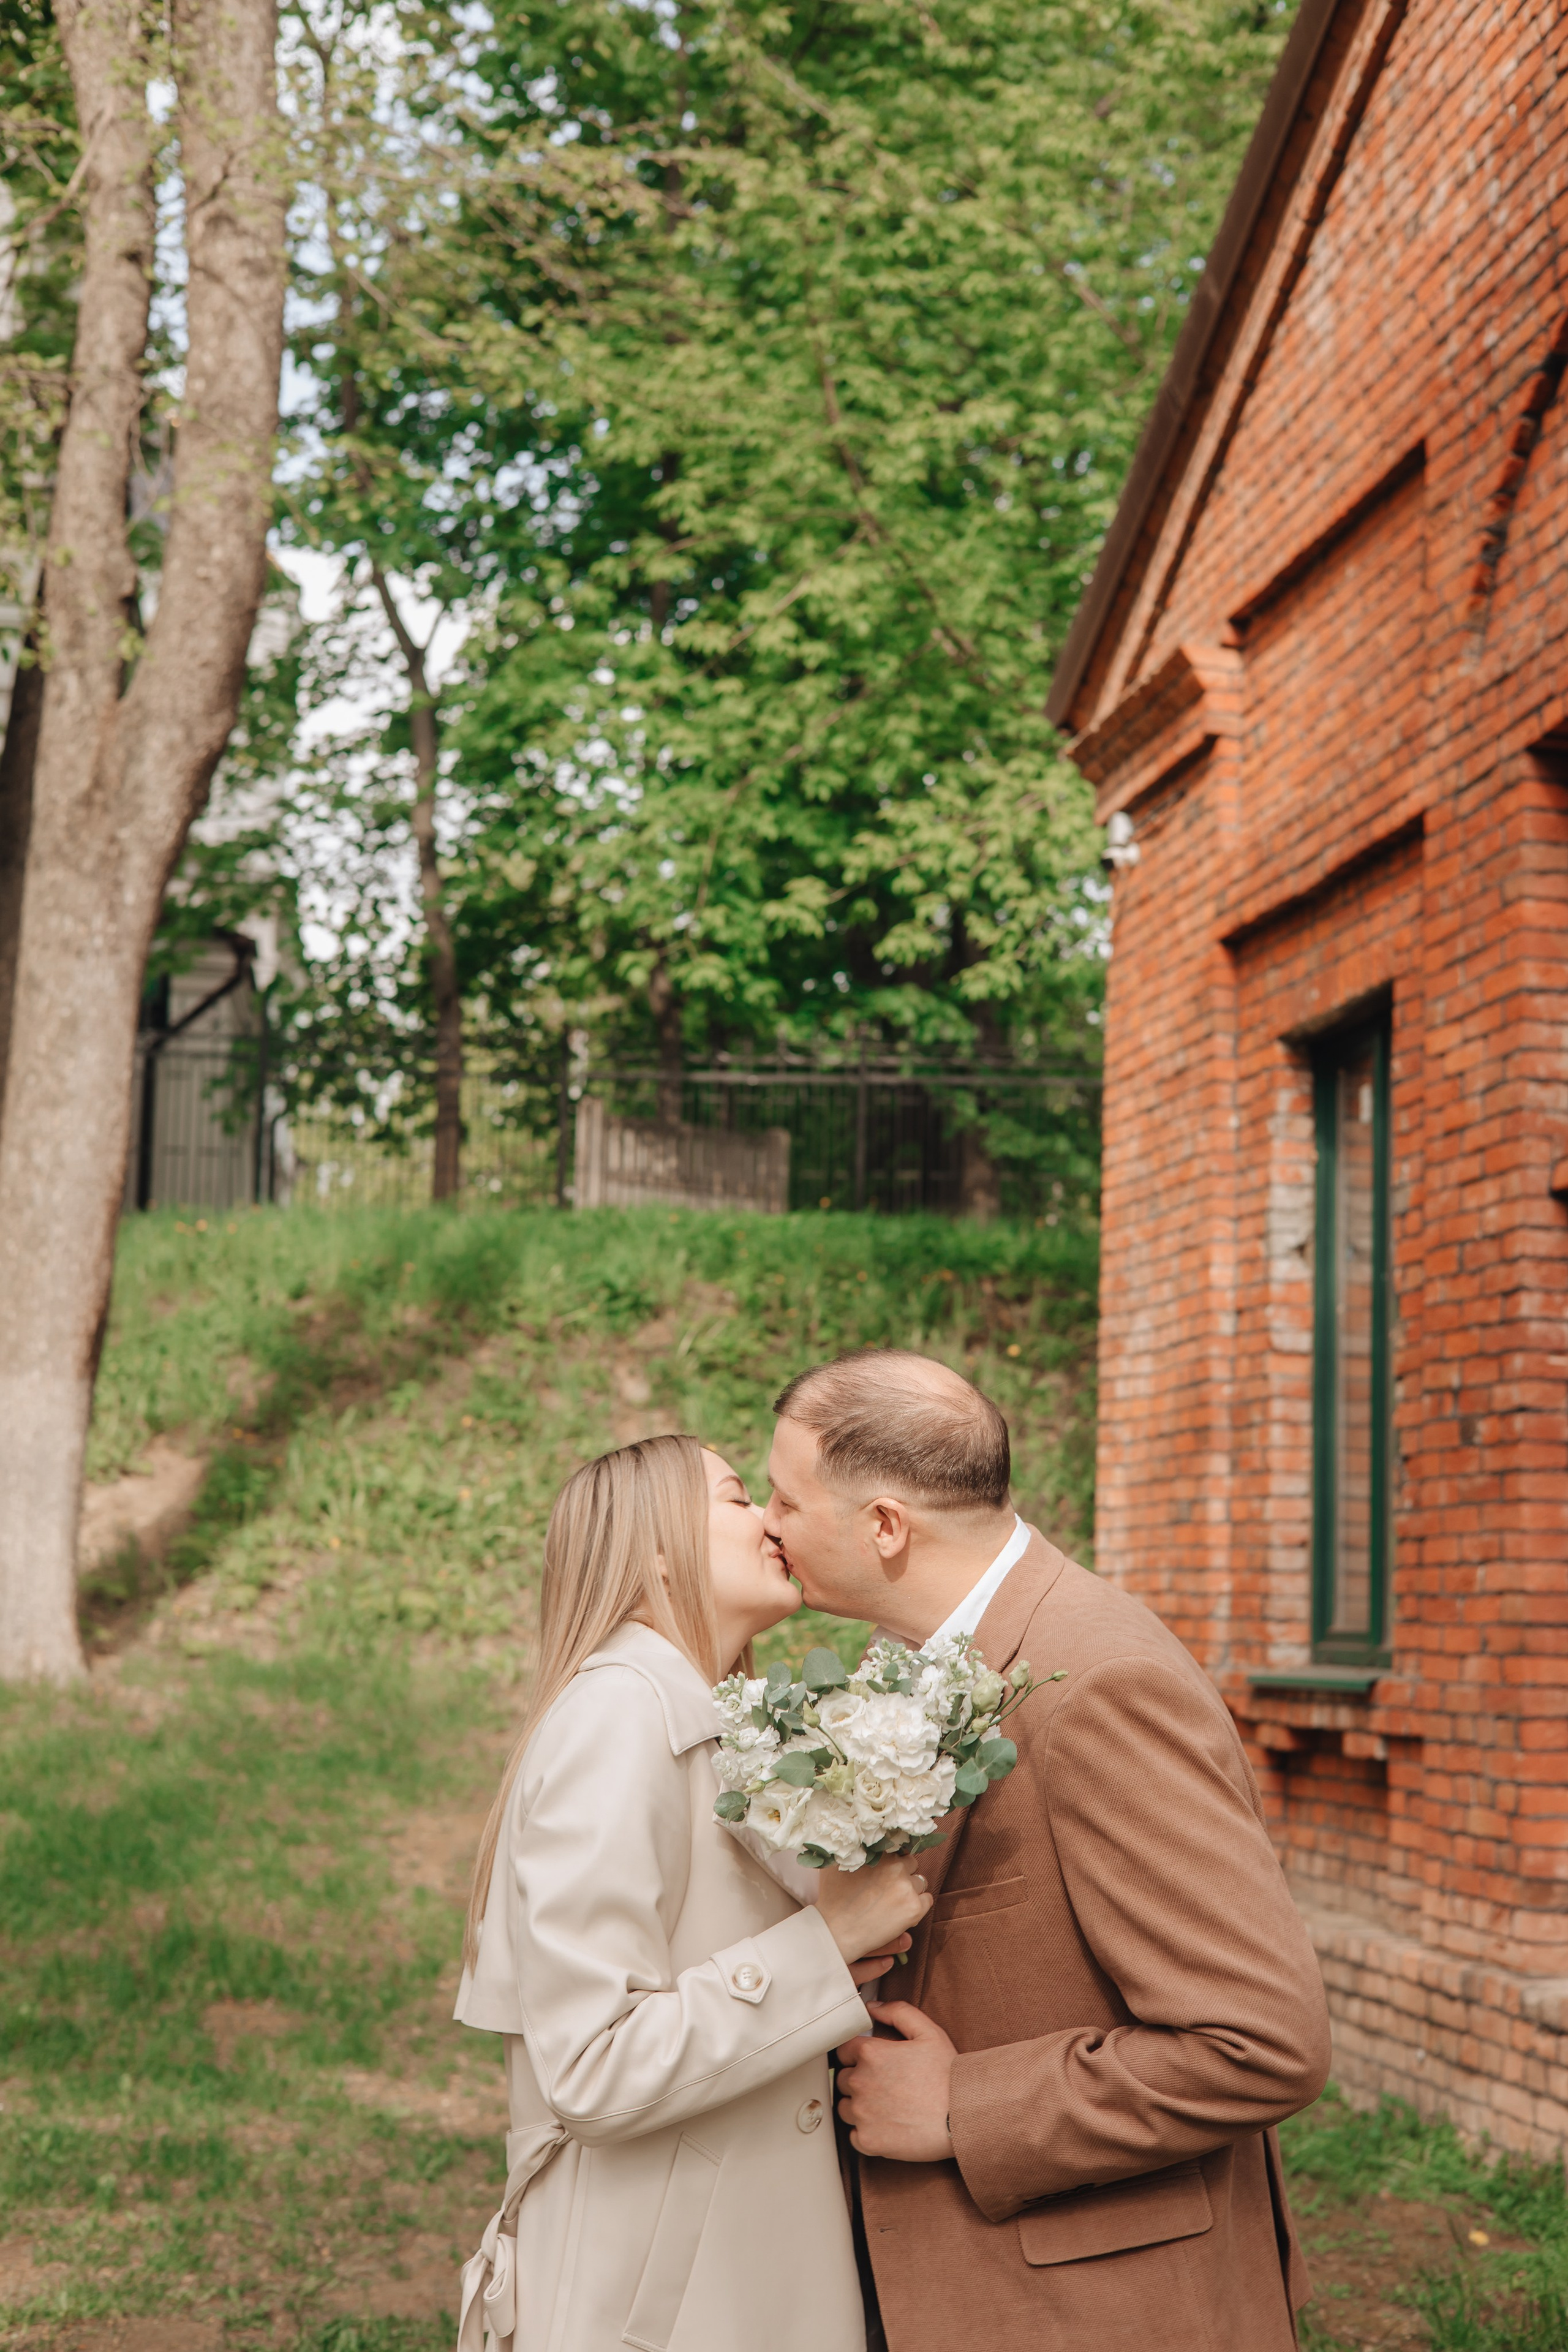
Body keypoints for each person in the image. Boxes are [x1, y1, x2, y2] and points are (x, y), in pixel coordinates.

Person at [764, 1349, 1333, 2352]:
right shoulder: (912, 1655)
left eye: (785, 1499)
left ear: (886, 1525)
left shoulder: (1101, 1685)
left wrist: (963, 2107)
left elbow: (1262, 2044)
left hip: (1103, 2311)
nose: (768, 1526)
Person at [453, 1432, 930, 2352]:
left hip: (729, 2276)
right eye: (739, 1497)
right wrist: (822, 1950)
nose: (772, 1520)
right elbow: (592, 2067)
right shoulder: (616, 1717)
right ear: (657, 1549)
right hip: (658, 2304)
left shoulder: (706, 1727)